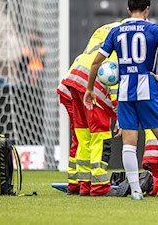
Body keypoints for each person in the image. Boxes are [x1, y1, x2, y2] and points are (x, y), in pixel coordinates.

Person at [84, 0, 158, 200]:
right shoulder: (154, 30)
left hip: (125, 91)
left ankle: (135, 191)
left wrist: (89, 89)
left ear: (128, 9)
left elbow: (96, 62)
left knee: (129, 144)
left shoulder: (116, 31)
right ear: (147, 9)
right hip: (147, 88)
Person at [60, 21, 123, 196]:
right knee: (100, 137)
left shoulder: (103, 28)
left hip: (74, 78)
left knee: (83, 136)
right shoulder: (123, 38)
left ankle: (81, 184)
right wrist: (119, 112)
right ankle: (99, 186)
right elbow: (113, 77)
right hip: (93, 86)